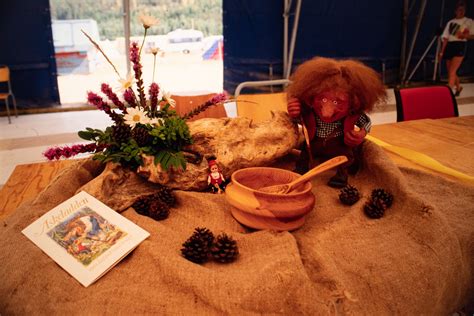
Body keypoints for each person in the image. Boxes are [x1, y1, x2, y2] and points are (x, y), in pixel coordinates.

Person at [286, 57, 386, 188]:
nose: (326, 112)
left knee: (345, 157)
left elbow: (366, 122)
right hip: (313, 141)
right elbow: (297, 121)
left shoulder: (354, 114)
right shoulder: (309, 110)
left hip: (338, 142)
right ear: (310, 95)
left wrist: (362, 133)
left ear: (354, 103)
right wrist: (294, 112)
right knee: (305, 153)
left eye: (336, 102)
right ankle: (301, 169)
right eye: (322, 99)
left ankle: (341, 176)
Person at [439, 1, 474, 96]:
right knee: (450, 70)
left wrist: (464, 35)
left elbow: (472, 35)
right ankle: (458, 87)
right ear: (455, 11)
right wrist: (442, 52)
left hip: (460, 46)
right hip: (450, 46)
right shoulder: (451, 22)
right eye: (459, 10)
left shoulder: (469, 21)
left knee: (452, 71)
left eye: (463, 10)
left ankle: (449, 92)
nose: (461, 12)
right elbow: (445, 38)